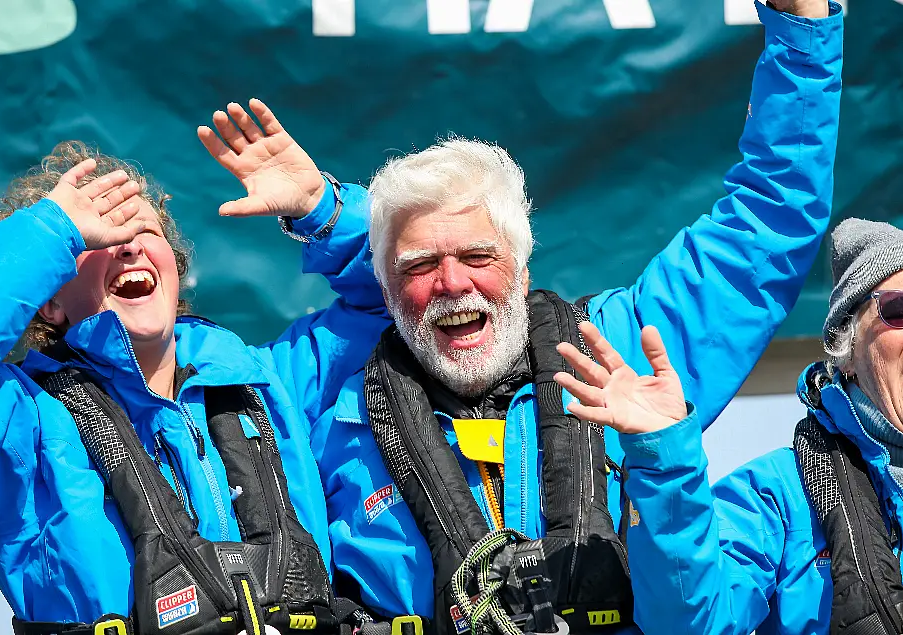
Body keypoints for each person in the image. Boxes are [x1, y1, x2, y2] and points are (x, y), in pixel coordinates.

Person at [308, 0, 844, 633]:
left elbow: (767, 225)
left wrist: (803, 31)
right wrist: (324, 215)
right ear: (386, 282)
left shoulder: (625, 350)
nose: (453, 284)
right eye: (420, 265)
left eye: (479, 255)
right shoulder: (320, 392)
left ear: (523, 263)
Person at [0, 57, 391, 634]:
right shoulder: (14, 433)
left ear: (175, 270)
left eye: (144, 233)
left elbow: (405, 302)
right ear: (48, 300)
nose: (129, 248)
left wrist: (322, 209)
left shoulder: (275, 381)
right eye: (98, 239)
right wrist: (52, 229)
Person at [553, 217, 903, 635]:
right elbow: (687, 625)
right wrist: (665, 458)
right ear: (846, 347)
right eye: (898, 309)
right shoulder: (777, 494)